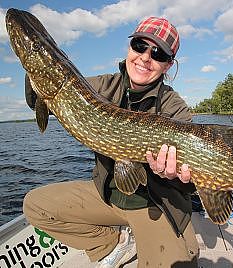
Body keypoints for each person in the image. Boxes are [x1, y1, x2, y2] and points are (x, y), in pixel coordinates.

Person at [23, 16, 199, 267]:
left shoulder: (175, 109)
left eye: (158, 54)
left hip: (154, 205)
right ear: (130, 47)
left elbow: (190, 183)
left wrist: (174, 176)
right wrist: (34, 67)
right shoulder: (100, 86)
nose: (145, 57)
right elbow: (42, 98)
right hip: (106, 197)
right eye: (140, 45)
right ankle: (112, 243)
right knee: (36, 206)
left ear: (168, 65)